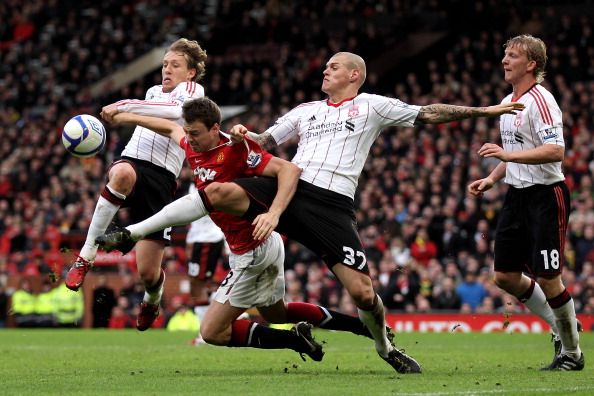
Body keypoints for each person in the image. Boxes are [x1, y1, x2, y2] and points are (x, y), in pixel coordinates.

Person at [98, 52, 523, 373]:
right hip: (290, 189)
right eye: (326, 66)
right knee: (220, 191)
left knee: (361, 294)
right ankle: (134, 232)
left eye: (334, 67)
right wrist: (248, 134)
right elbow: (267, 140)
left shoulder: (372, 106)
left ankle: (384, 347)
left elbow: (426, 113)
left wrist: (484, 111)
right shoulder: (306, 111)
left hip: (332, 205)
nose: (326, 70)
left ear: (354, 75)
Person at [97, 97, 381, 361]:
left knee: (212, 332)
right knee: (276, 312)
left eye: (195, 133)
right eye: (189, 133)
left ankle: (295, 341)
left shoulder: (236, 149)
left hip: (252, 249)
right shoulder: (192, 145)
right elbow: (169, 127)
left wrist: (273, 213)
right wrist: (127, 117)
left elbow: (289, 170)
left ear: (215, 128)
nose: (190, 140)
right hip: (263, 245)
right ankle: (359, 327)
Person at [64, 38, 207, 331]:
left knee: (147, 272)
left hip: (163, 181)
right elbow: (157, 108)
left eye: (175, 65)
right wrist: (132, 109)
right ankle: (85, 257)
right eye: (165, 64)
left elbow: (173, 113)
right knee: (121, 175)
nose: (166, 69)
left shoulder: (194, 92)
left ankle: (152, 298)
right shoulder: (153, 91)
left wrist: (123, 107)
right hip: (134, 161)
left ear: (190, 72)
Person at [468, 34, 583, 371]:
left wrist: (506, 154)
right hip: (516, 196)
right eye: (505, 54)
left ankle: (573, 355)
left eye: (513, 55)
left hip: (546, 196)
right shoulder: (509, 101)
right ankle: (561, 327)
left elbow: (555, 151)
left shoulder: (541, 100)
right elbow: (517, 152)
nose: (505, 60)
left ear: (531, 64)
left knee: (549, 277)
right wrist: (492, 178)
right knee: (504, 276)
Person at [184, 183, 226, 326]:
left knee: (198, 285)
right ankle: (211, 325)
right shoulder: (192, 184)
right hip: (198, 240)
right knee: (198, 285)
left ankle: (205, 332)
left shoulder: (209, 183)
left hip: (207, 239)